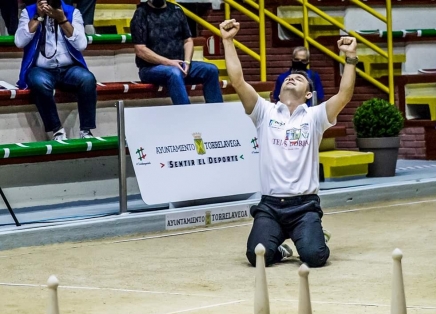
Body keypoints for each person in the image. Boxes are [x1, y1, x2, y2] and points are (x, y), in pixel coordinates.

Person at [220, 19, 357, 268]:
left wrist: (350, 58)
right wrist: (228, 41)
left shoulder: (315, 117)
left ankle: (311, 234)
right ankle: (282, 249)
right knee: (257, 256)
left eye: (299, 78)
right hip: (270, 206)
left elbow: (345, 94)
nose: (292, 78)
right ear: (278, 90)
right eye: (288, 78)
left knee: (315, 257)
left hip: (304, 206)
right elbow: (238, 81)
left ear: (308, 94)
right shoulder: (264, 111)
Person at [15, 0, 97, 140]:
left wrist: (62, 20)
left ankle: (86, 130)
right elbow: (19, 42)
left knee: (88, 79)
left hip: (68, 69)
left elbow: (82, 45)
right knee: (38, 82)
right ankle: (57, 130)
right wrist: (38, 17)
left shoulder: (71, 12)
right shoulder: (28, 12)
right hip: (41, 69)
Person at [130, 0, 223, 105]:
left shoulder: (176, 10)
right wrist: (169, 62)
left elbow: (188, 41)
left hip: (180, 65)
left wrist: (187, 62)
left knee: (211, 70)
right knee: (174, 72)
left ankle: (217, 116)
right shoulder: (141, 13)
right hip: (150, 69)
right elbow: (140, 50)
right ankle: (185, 116)